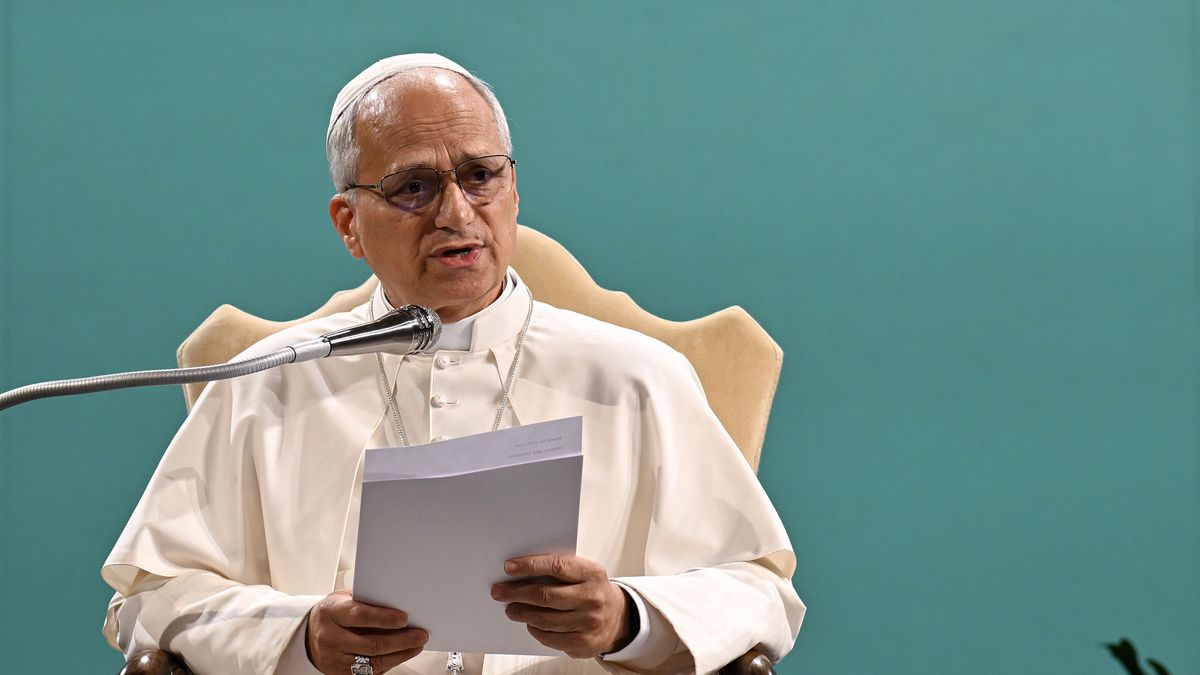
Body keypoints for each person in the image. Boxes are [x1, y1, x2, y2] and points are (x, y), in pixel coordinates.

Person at [102, 53, 805, 675]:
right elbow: (150, 601)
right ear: (349, 224)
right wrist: (301, 637)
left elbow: (760, 594)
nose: (457, 214)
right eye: (413, 186)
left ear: (514, 191)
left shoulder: (638, 377)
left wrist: (626, 619)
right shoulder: (267, 383)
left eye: (479, 176)